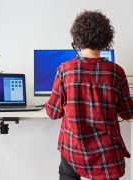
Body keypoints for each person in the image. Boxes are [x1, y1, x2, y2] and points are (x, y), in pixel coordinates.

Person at [45, 10, 133, 180]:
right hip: (107, 154)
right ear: (106, 40)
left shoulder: (65, 70)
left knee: (67, 172)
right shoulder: (116, 72)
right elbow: (127, 112)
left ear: (77, 40)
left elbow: (53, 113)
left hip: (74, 149)